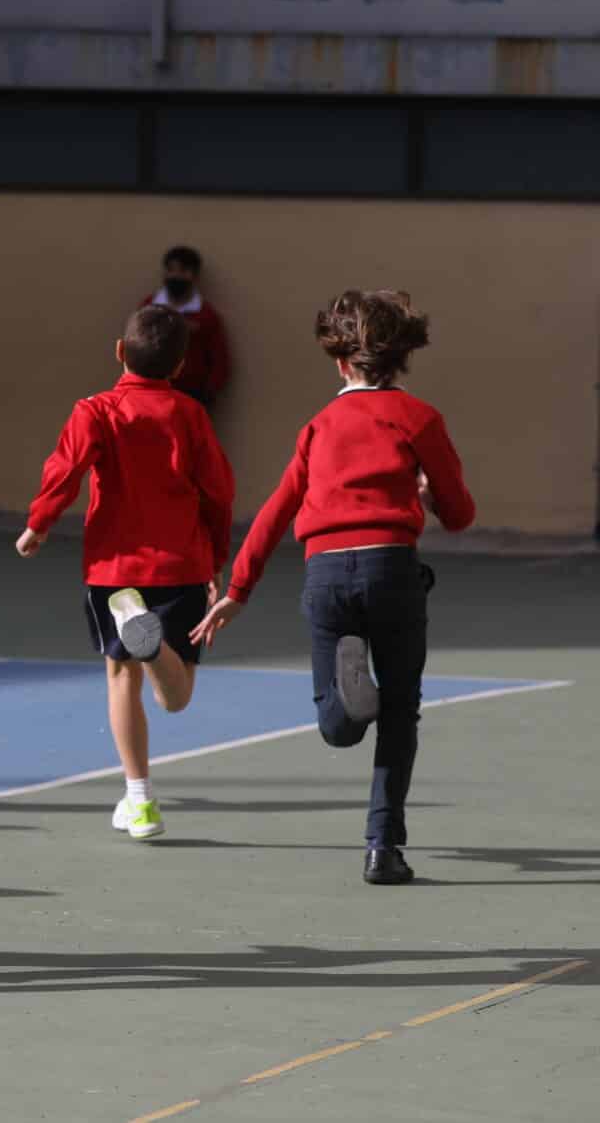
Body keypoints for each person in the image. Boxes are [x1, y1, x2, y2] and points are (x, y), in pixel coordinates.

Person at [197, 290, 474, 886]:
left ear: (340, 362)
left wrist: (237, 589)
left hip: (325, 572)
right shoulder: (419, 418)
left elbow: (277, 508)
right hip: (392, 568)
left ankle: (345, 710)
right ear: (401, 360)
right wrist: (425, 494)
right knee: (402, 711)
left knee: (338, 724)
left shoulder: (318, 427)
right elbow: (460, 511)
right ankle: (382, 848)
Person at [15, 304, 234, 841]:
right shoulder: (189, 414)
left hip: (115, 572)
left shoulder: (96, 410)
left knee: (120, 678)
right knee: (175, 698)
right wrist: (216, 558)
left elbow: (64, 468)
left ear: (119, 352)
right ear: (180, 366)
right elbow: (218, 491)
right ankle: (155, 648)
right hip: (180, 563)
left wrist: (38, 524)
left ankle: (140, 801)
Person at [145, 245, 231, 408]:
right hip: (150, 394)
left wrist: (207, 395)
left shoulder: (205, 316)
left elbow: (220, 360)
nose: (176, 275)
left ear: (194, 276)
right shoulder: (148, 309)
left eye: (183, 271)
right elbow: (133, 349)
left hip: (191, 397)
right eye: (171, 270)